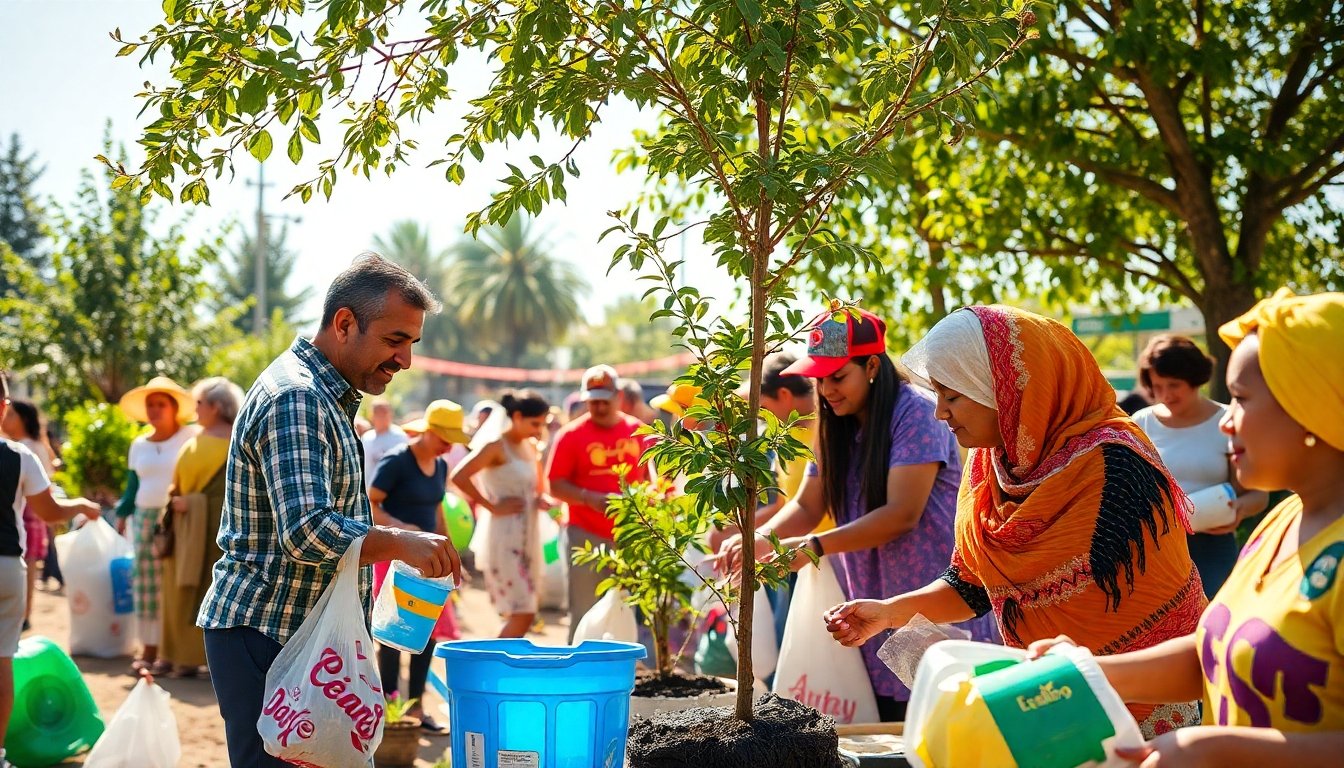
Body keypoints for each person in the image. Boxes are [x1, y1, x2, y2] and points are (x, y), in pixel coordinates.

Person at [825, 305, 1205, 736]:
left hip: (1143, 710)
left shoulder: (1114, 465)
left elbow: (1143, 605)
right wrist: (889, 613)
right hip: (1048, 701)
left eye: (952, 396)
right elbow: (972, 585)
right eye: (938, 395)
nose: (940, 413)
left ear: (1006, 391)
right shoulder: (990, 468)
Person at [1027, 289, 1344, 765]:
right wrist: (1086, 672)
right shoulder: (1282, 522)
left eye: (1240, 399)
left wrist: (1218, 748)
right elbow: (1216, 651)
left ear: (1311, 405)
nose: (1225, 422)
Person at [197, 254, 463, 766]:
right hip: (268, 634)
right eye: (394, 340)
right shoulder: (298, 397)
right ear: (345, 323)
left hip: (304, 637)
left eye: (411, 343)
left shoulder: (327, 397)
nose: (405, 360)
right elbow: (307, 532)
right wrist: (402, 541)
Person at [719, 306, 996, 721]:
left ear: (871, 366)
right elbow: (808, 505)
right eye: (819, 379)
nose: (827, 390)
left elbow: (901, 514)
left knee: (940, 727)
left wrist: (813, 547)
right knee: (884, 730)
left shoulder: (916, 412)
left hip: (932, 606)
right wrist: (758, 541)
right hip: (870, 609)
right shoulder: (834, 424)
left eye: (837, 377)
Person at [0, 371, 101, 768]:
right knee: (2, 660)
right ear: (4, 407)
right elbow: (49, 512)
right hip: (7, 568)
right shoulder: (20, 457)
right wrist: (79, 505)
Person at [1132, 335, 1268, 597]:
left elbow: (1257, 494)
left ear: (1195, 379)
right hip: (1156, 549)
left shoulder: (1229, 420)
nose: (1165, 395)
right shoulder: (1141, 423)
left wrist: (1237, 510)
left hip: (1213, 547)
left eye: (1174, 385)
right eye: (1157, 386)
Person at [369, 399, 471, 734]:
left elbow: (438, 510)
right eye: (445, 437)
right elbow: (370, 502)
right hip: (396, 559)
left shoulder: (440, 466)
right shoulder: (397, 460)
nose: (450, 445)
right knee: (394, 634)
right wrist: (403, 532)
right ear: (428, 431)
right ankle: (389, 709)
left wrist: (449, 552)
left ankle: (416, 708)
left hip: (429, 562)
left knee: (427, 636)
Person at [545, 365, 649, 641]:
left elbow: (652, 480)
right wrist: (588, 499)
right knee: (584, 610)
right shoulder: (570, 435)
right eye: (593, 401)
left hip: (631, 534)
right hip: (585, 534)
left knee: (628, 608)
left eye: (605, 400)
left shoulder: (638, 431)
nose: (600, 407)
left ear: (618, 396)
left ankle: (623, 673)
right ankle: (579, 675)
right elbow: (555, 484)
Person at [157, 377, 242, 679]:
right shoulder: (195, 439)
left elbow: (229, 495)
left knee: (201, 591)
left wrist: (191, 503)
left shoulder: (233, 443)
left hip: (212, 535)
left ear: (216, 407)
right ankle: (171, 655)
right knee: (175, 592)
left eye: (199, 402)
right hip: (184, 530)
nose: (195, 408)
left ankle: (193, 658)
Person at [117, 376, 201, 675]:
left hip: (177, 518)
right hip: (143, 519)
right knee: (146, 585)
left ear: (174, 407)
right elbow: (132, 487)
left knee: (174, 584)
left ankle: (171, 651)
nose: (154, 410)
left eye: (160, 404)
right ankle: (148, 649)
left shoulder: (190, 437)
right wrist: (120, 515)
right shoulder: (138, 443)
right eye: (150, 404)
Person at [451, 389, 551, 638]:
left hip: (529, 534)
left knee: (523, 609)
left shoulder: (529, 446)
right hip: (504, 537)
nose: (539, 430)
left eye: (543, 424)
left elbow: (534, 488)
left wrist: (539, 501)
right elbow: (459, 477)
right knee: (524, 610)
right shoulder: (495, 446)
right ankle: (490, 662)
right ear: (517, 417)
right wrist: (491, 505)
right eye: (534, 423)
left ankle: (500, 665)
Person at [0, 399, 56, 632]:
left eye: (12, 415)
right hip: (30, 511)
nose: (7, 419)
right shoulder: (32, 447)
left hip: (27, 512)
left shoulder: (22, 449)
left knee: (28, 561)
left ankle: (25, 612)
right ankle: (25, 611)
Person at [361, 398, 407, 487]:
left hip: (393, 493)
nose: (383, 417)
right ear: (372, 415)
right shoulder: (366, 438)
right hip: (369, 492)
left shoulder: (400, 436)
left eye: (385, 413)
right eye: (379, 413)